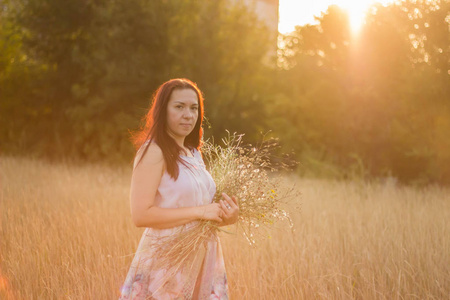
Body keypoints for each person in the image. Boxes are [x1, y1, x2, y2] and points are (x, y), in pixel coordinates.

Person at [119, 78, 239, 299]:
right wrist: (200, 212)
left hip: (202, 255)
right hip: (168, 260)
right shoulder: (153, 151)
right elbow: (140, 215)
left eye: (194, 108)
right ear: (163, 111)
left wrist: (227, 216)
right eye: (179, 107)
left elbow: (203, 207)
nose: (188, 114)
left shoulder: (192, 152)